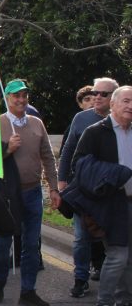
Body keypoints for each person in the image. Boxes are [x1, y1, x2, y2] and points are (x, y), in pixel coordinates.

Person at [0, 79, 60, 306]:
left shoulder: (37, 123)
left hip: (32, 193)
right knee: (3, 243)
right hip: (5, 194)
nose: (20, 100)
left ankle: (28, 291)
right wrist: (7, 150)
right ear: (6, 98)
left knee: (31, 244)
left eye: (24, 96)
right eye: (15, 96)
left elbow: (48, 157)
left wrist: (54, 187)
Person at [69, 85, 132, 306]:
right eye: (126, 100)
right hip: (110, 204)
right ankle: (104, 301)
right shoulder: (95, 132)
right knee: (117, 256)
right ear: (113, 104)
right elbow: (79, 165)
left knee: (128, 259)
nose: (130, 105)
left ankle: (124, 300)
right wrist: (115, 173)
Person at [58, 78, 119, 297]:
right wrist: (61, 181)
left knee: (114, 238)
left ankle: (112, 282)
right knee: (81, 236)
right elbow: (67, 151)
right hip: (84, 190)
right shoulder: (81, 119)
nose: (97, 97)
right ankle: (80, 278)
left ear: (115, 96)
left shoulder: (123, 120)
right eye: (95, 92)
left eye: (103, 93)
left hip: (113, 191)